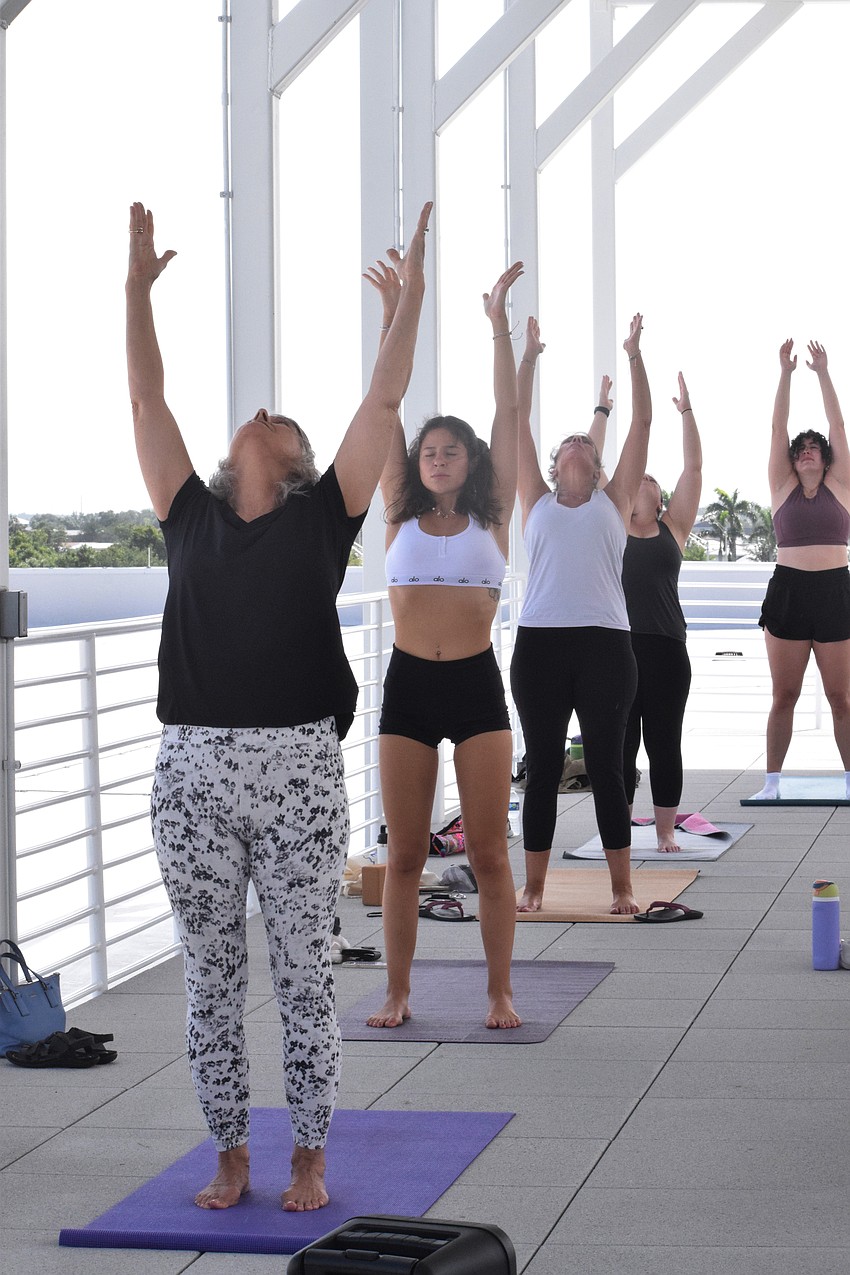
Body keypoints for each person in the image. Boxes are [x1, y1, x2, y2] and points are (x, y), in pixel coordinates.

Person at [126, 199, 431, 1211]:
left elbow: (383, 404)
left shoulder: (320, 519)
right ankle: (228, 1151)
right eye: (258, 413)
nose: (262, 411)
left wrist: (410, 300)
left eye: (283, 420)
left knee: (303, 973)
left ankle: (308, 1154)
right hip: (193, 774)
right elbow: (146, 399)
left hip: (298, 771)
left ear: (299, 463)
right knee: (210, 977)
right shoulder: (188, 514)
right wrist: (136, 290)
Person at [363, 258, 524, 1030]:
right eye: (429, 451)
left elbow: (508, 410)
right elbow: (385, 400)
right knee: (404, 855)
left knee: (489, 853)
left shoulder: (493, 516)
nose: (436, 458)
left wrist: (497, 327)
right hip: (409, 688)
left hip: (475, 684)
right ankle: (397, 991)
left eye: (450, 450)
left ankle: (500, 991)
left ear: (470, 461)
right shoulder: (397, 512)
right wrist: (395, 313)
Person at [511, 313, 652, 914]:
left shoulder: (613, 501)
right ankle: (534, 887)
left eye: (587, 443)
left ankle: (622, 888)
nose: (577, 441)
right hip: (539, 645)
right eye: (569, 440)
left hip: (604, 645)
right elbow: (516, 417)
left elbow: (641, 423)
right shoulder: (536, 500)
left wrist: (634, 355)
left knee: (607, 765)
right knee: (542, 766)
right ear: (553, 465)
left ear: (596, 468)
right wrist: (528, 357)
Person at [754, 338, 850, 799]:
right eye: (801, 449)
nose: (808, 451)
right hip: (789, 591)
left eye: (815, 448)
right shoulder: (782, 487)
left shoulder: (840, 484)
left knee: (841, 698)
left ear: (826, 459)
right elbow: (778, 427)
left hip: (835, 592)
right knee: (784, 696)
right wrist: (786, 373)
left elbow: (837, 424)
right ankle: (772, 783)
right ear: (793, 460)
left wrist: (823, 373)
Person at [621, 374, 703, 851]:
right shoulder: (611, 525)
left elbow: (693, 467)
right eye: (641, 475)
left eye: (652, 478)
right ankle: (619, 829)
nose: (646, 478)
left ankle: (666, 830)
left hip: (668, 649)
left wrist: (687, 412)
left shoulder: (674, 527)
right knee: (621, 743)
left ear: (660, 498)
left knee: (664, 741)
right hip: (619, 648)